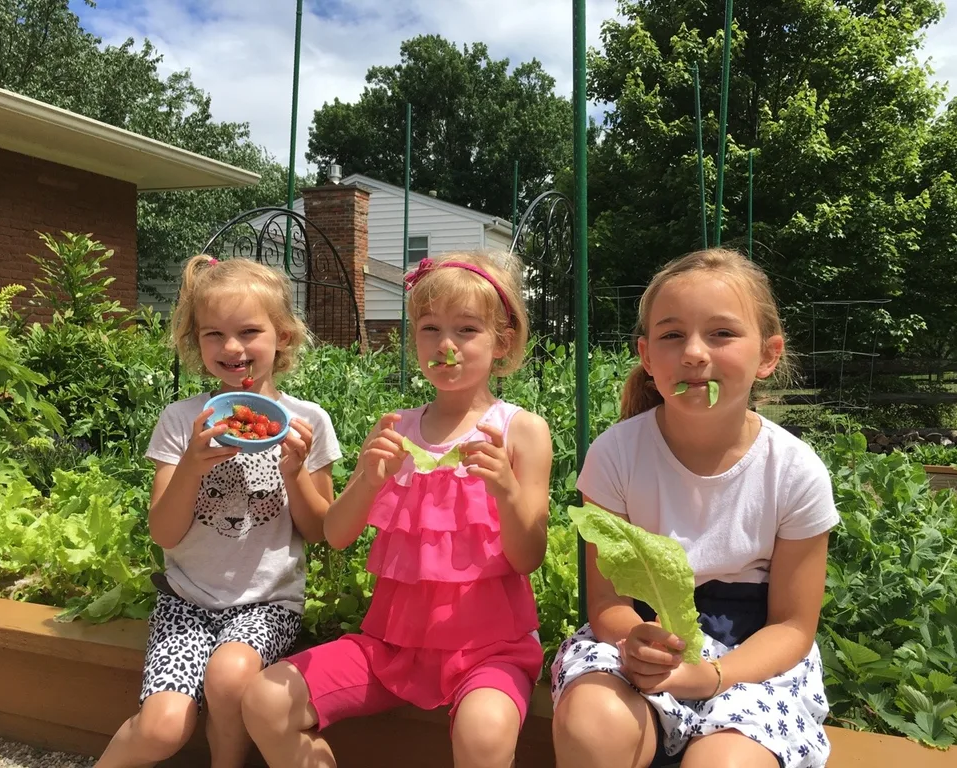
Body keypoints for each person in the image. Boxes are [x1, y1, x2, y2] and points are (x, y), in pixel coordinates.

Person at [242, 251, 553, 768]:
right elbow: (337, 533)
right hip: (390, 649)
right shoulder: (395, 429)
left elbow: (528, 558)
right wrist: (367, 479)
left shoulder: (521, 431)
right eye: (430, 329)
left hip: (490, 651)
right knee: (265, 699)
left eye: (467, 330)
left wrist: (505, 489)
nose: (446, 345)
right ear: (414, 340)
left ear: (502, 341)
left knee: (484, 735)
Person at [551, 248, 839, 768]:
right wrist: (636, 640)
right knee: (593, 725)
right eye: (671, 335)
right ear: (646, 355)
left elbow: (793, 627)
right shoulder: (616, 454)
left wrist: (711, 675)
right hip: (641, 638)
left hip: (752, 657)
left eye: (722, 334)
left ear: (768, 355)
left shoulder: (794, 470)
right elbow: (608, 603)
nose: (694, 353)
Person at [95, 254, 342, 768]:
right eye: (214, 334)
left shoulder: (308, 422)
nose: (232, 348)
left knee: (231, 675)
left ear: (283, 338)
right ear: (196, 343)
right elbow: (164, 532)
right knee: (162, 728)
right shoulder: (182, 420)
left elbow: (319, 530)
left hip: (267, 602)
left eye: (249, 331)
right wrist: (191, 463)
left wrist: (294, 471)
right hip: (186, 603)